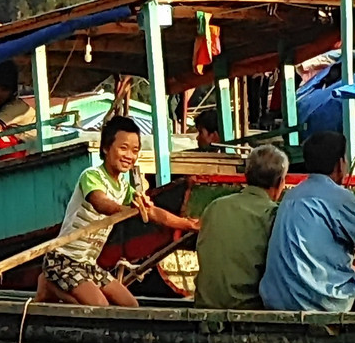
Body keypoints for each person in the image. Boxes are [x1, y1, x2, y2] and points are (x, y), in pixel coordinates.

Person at [38, 117, 200, 307]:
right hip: (63, 261)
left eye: (135, 150)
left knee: (131, 306)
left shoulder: (124, 187)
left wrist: (189, 224)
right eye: (123, 148)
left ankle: (52, 288)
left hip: (87, 264)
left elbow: (154, 213)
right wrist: (129, 210)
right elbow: (101, 203)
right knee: (101, 307)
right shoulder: (91, 176)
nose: (129, 156)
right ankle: (49, 285)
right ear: (106, 148)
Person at [261, 131, 355, 313]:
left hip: (279, 299)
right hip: (322, 301)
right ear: (340, 164)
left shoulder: (291, 195)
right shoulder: (339, 197)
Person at [194, 144, 289, 309]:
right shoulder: (274, 215)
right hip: (248, 310)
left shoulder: (215, 206)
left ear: (246, 175)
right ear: (280, 182)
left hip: (205, 306)